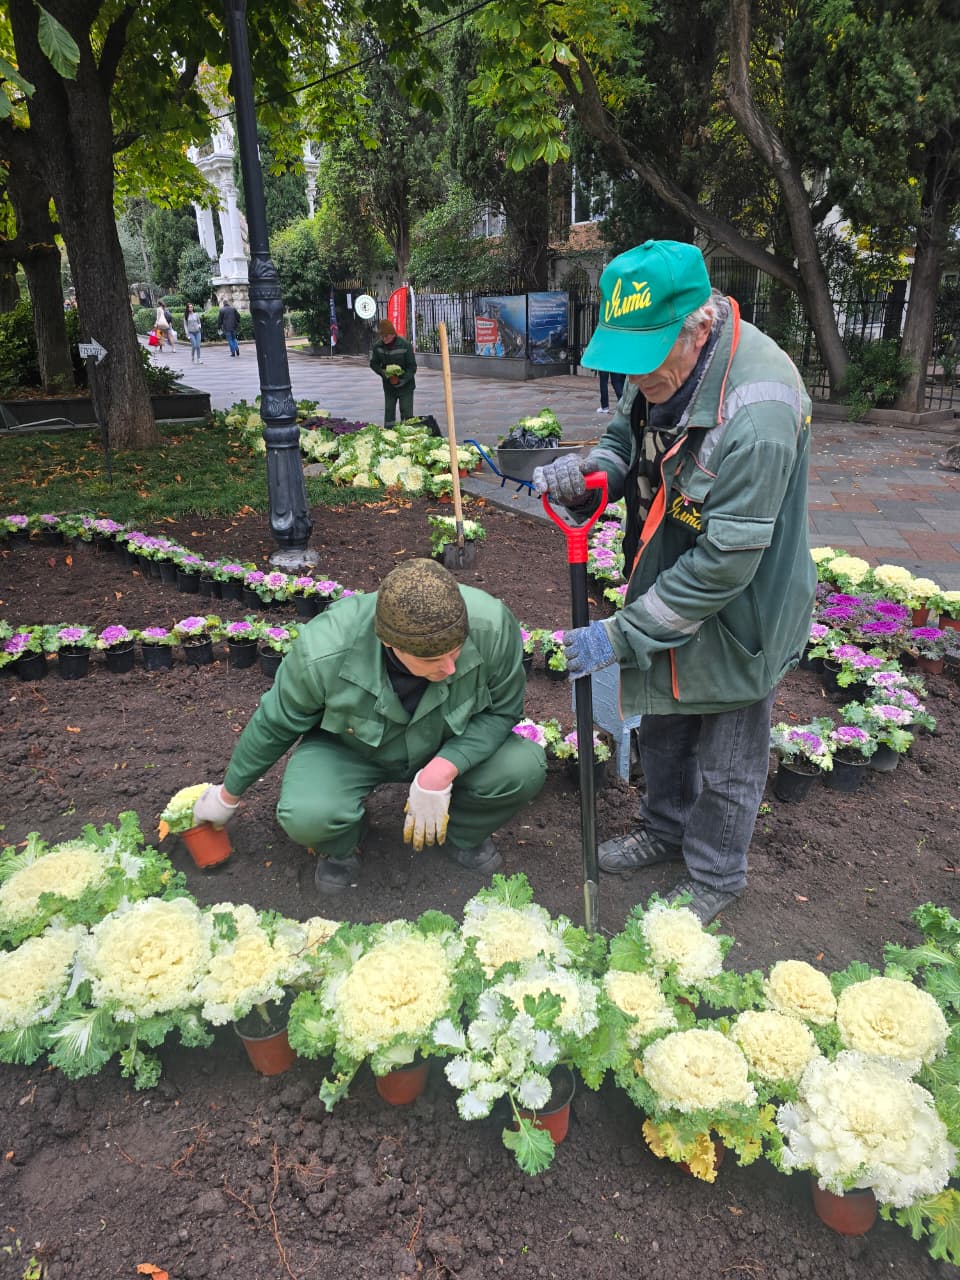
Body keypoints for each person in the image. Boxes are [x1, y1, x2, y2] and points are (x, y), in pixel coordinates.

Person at [533, 239, 815, 925]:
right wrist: (596, 468)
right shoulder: (655, 355)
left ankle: (717, 874)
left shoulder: (760, 414)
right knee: (662, 729)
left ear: (700, 325)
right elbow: (626, 433)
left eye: (650, 360)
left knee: (727, 755)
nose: (639, 375)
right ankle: (664, 830)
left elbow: (724, 566)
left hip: (742, 607)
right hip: (668, 581)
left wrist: (618, 635)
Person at [192, 558, 546, 895]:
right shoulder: (323, 651)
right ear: (388, 641)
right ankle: (344, 844)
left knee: (522, 767)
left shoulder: (493, 627)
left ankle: (461, 833)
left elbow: (502, 713)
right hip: (350, 750)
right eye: (431, 659)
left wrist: (443, 769)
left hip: (447, 741)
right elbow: (274, 724)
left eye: (456, 651)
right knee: (307, 814)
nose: (450, 668)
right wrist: (227, 797)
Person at [370, 318, 416, 426]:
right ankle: (389, 434)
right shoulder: (378, 347)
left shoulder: (405, 345)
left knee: (406, 412)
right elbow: (374, 364)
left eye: (386, 336)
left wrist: (403, 379)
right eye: (382, 336)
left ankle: (408, 435)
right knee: (389, 411)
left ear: (393, 334)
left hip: (406, 386)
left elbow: (412, 367)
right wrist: (383, 373)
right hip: (389, 386)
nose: (384, 339)